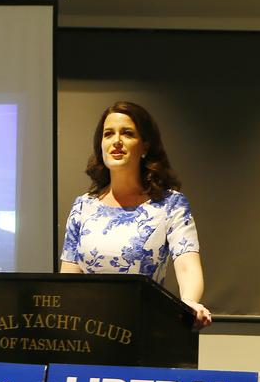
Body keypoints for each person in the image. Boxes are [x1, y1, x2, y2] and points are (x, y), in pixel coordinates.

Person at [59, 101, 212, 328]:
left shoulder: (170, 204)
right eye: (108, 134)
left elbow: (187, 265)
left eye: (127, 133)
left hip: (144, 327)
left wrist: (188, 302)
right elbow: (68, 278)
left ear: (145, 146)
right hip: (88, 331)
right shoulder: (83, 206)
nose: (116, 141)